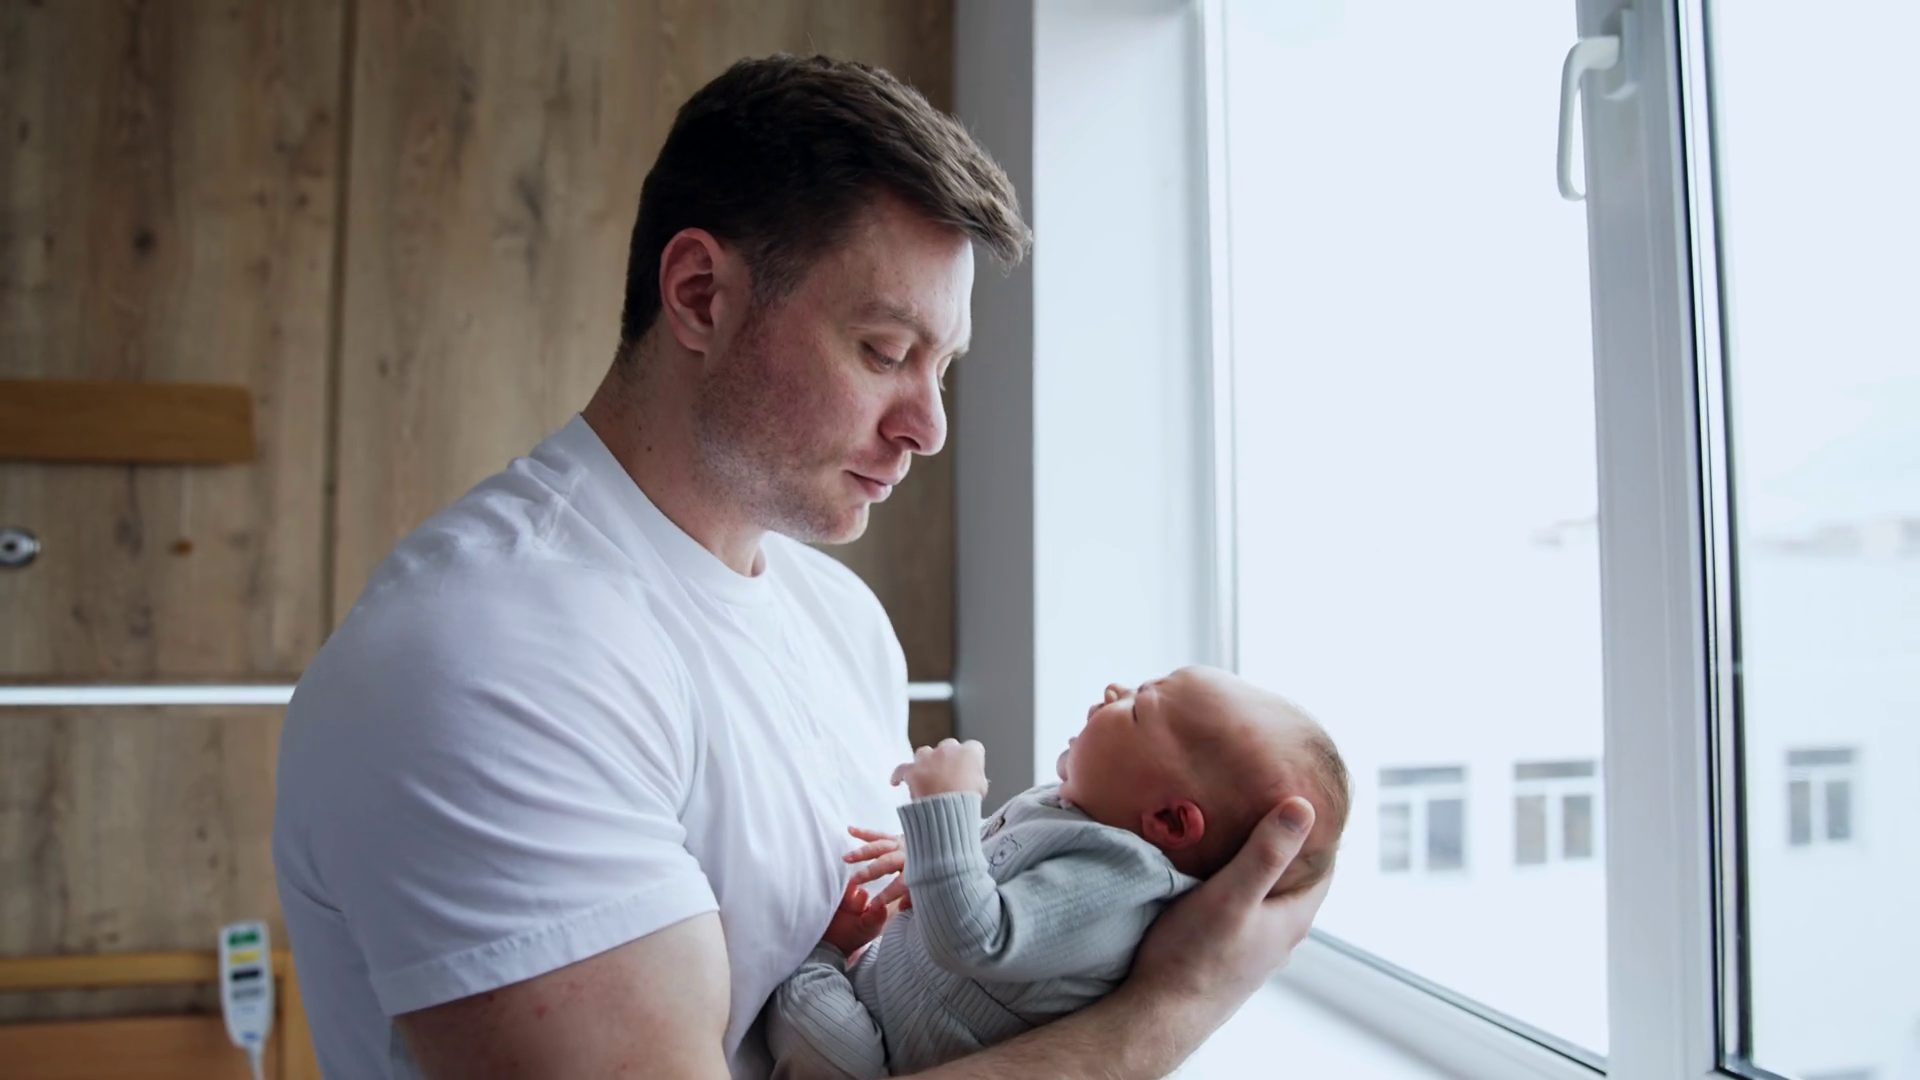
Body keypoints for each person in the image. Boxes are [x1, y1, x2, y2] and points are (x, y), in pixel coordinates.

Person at [272, 54, 1332, 1080]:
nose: (929, 426)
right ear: (700, 295)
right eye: (885, 352)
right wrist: (1173, 1008)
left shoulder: (840, 618)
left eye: (943, 367)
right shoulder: (488, 657)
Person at [765, 668, 1351, 1079]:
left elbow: (977, 938)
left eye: (1138, 708)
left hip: (886, 1056)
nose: (1114, 689)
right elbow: (995, 856)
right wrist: (929, 851)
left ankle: (817, 963)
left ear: (1170, 822)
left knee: (825, 1049)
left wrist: (945, 808)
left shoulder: (1120, 884)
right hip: (890, 993)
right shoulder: (1078, 811)